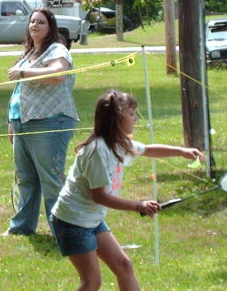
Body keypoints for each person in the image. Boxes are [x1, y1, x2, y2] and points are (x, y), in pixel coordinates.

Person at [50, 90, 204, 291]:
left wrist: (182, 151)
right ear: (116, 118)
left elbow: (148, 150)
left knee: (124, 266)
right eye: (131, 114)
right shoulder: (97, 151)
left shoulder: (120, 144)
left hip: (91, 219)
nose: (135, 118)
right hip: (72, 222)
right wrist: (138, 205)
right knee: (92, 282)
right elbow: (100, 196)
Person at [3, 7, 79, 236]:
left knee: (52, 181)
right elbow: (19, 92)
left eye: (41, 22)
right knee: (26, 178)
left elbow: (57, 74)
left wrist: (24, 73)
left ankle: (64, 231)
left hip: (49, 122)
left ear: (50, 27)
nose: (35, 25)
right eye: (32, 21)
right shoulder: (29, 54)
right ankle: (21, 227)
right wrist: (11, 121)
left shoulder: (57, 49)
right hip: (22, 122)